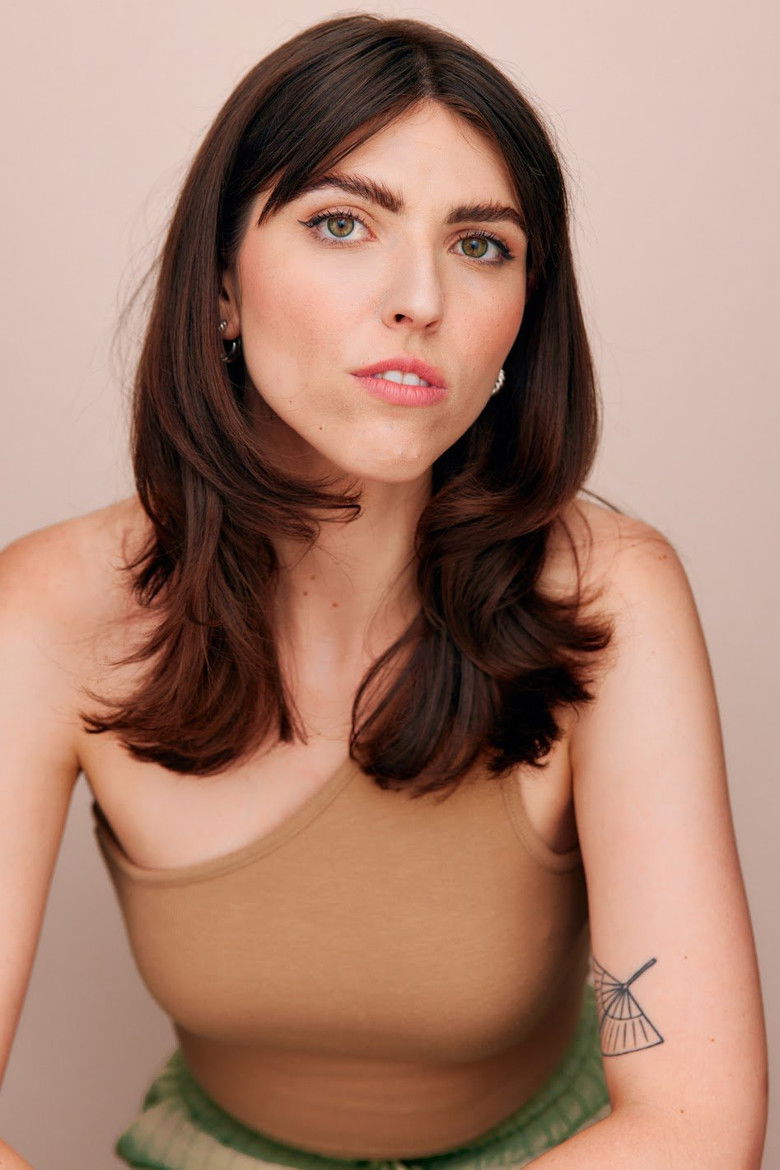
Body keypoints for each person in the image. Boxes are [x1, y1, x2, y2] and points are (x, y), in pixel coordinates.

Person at [0, 13, 767, 1170]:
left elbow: (697, 1125)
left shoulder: (612, 592)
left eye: (481, 244)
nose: (420, 298)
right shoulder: (52, 609)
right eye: (342, 223)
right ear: (221, 286)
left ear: (523, 317)